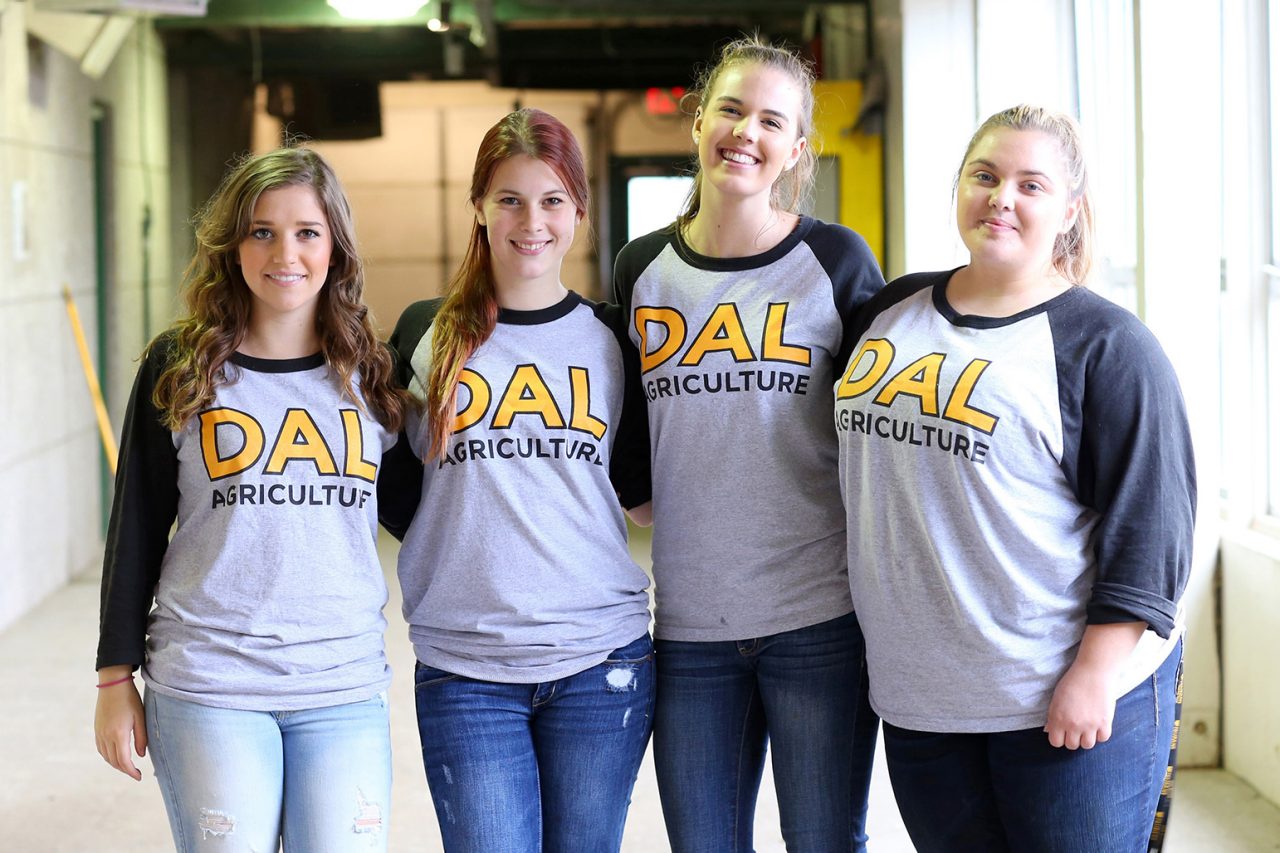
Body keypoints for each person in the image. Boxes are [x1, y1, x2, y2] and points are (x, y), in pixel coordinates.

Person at [834, 104, 1195, 852]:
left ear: (1069, 211)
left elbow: (1154, 528)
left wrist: (1093, 674)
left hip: (1061, 695)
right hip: (923, 696)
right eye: (986, 176)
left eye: (1032, 185)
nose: (1002, 197)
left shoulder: (1107, 346)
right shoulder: (887, 310)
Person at [93, 146, 409, 852]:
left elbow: (429, 514)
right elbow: (136, 526)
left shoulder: (371, 373)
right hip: (210, 681)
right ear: (233, 246)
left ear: (336, 247)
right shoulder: (181, 365)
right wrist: (114, 676)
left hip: (341, 685)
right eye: (261, 230)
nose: (284, 252)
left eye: (307, 231)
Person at [612, 36, 884, 852]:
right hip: (693, 625)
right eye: (730, 109)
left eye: (772, 119)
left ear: (795, 148)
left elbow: (880, 425)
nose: (746, 131)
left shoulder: (833, 260)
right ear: (698, 122)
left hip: (821, 621)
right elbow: (628, 432)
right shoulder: (642, 267)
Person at [384, 108, 654, 853]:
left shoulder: (611, 337)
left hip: (600, 661)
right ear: (478, 206)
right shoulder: (423, 333)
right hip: (465, 665)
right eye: (509, 199)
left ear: (578, 212)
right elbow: (384, 478)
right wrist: (462, 538)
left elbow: (641, 491)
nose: (531, 221)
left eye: (552, 200)